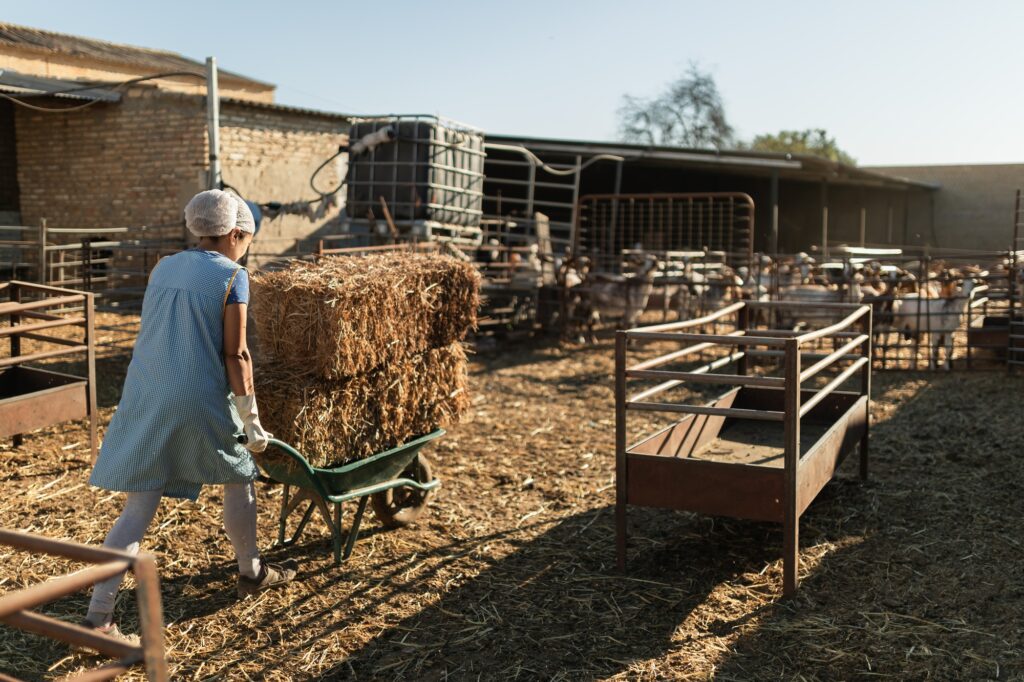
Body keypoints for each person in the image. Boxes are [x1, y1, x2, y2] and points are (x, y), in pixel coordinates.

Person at [83, 189, 296, 641]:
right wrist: (251, 417)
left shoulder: (164, 265)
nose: (246, 249)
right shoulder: (232, 277)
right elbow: (236, 354)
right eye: (247, 241)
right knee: (240, 474)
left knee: (138, 506)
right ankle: (251, 569)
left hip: (147, 388)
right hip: (196, 394)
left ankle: (98, 614)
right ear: (236, 233)